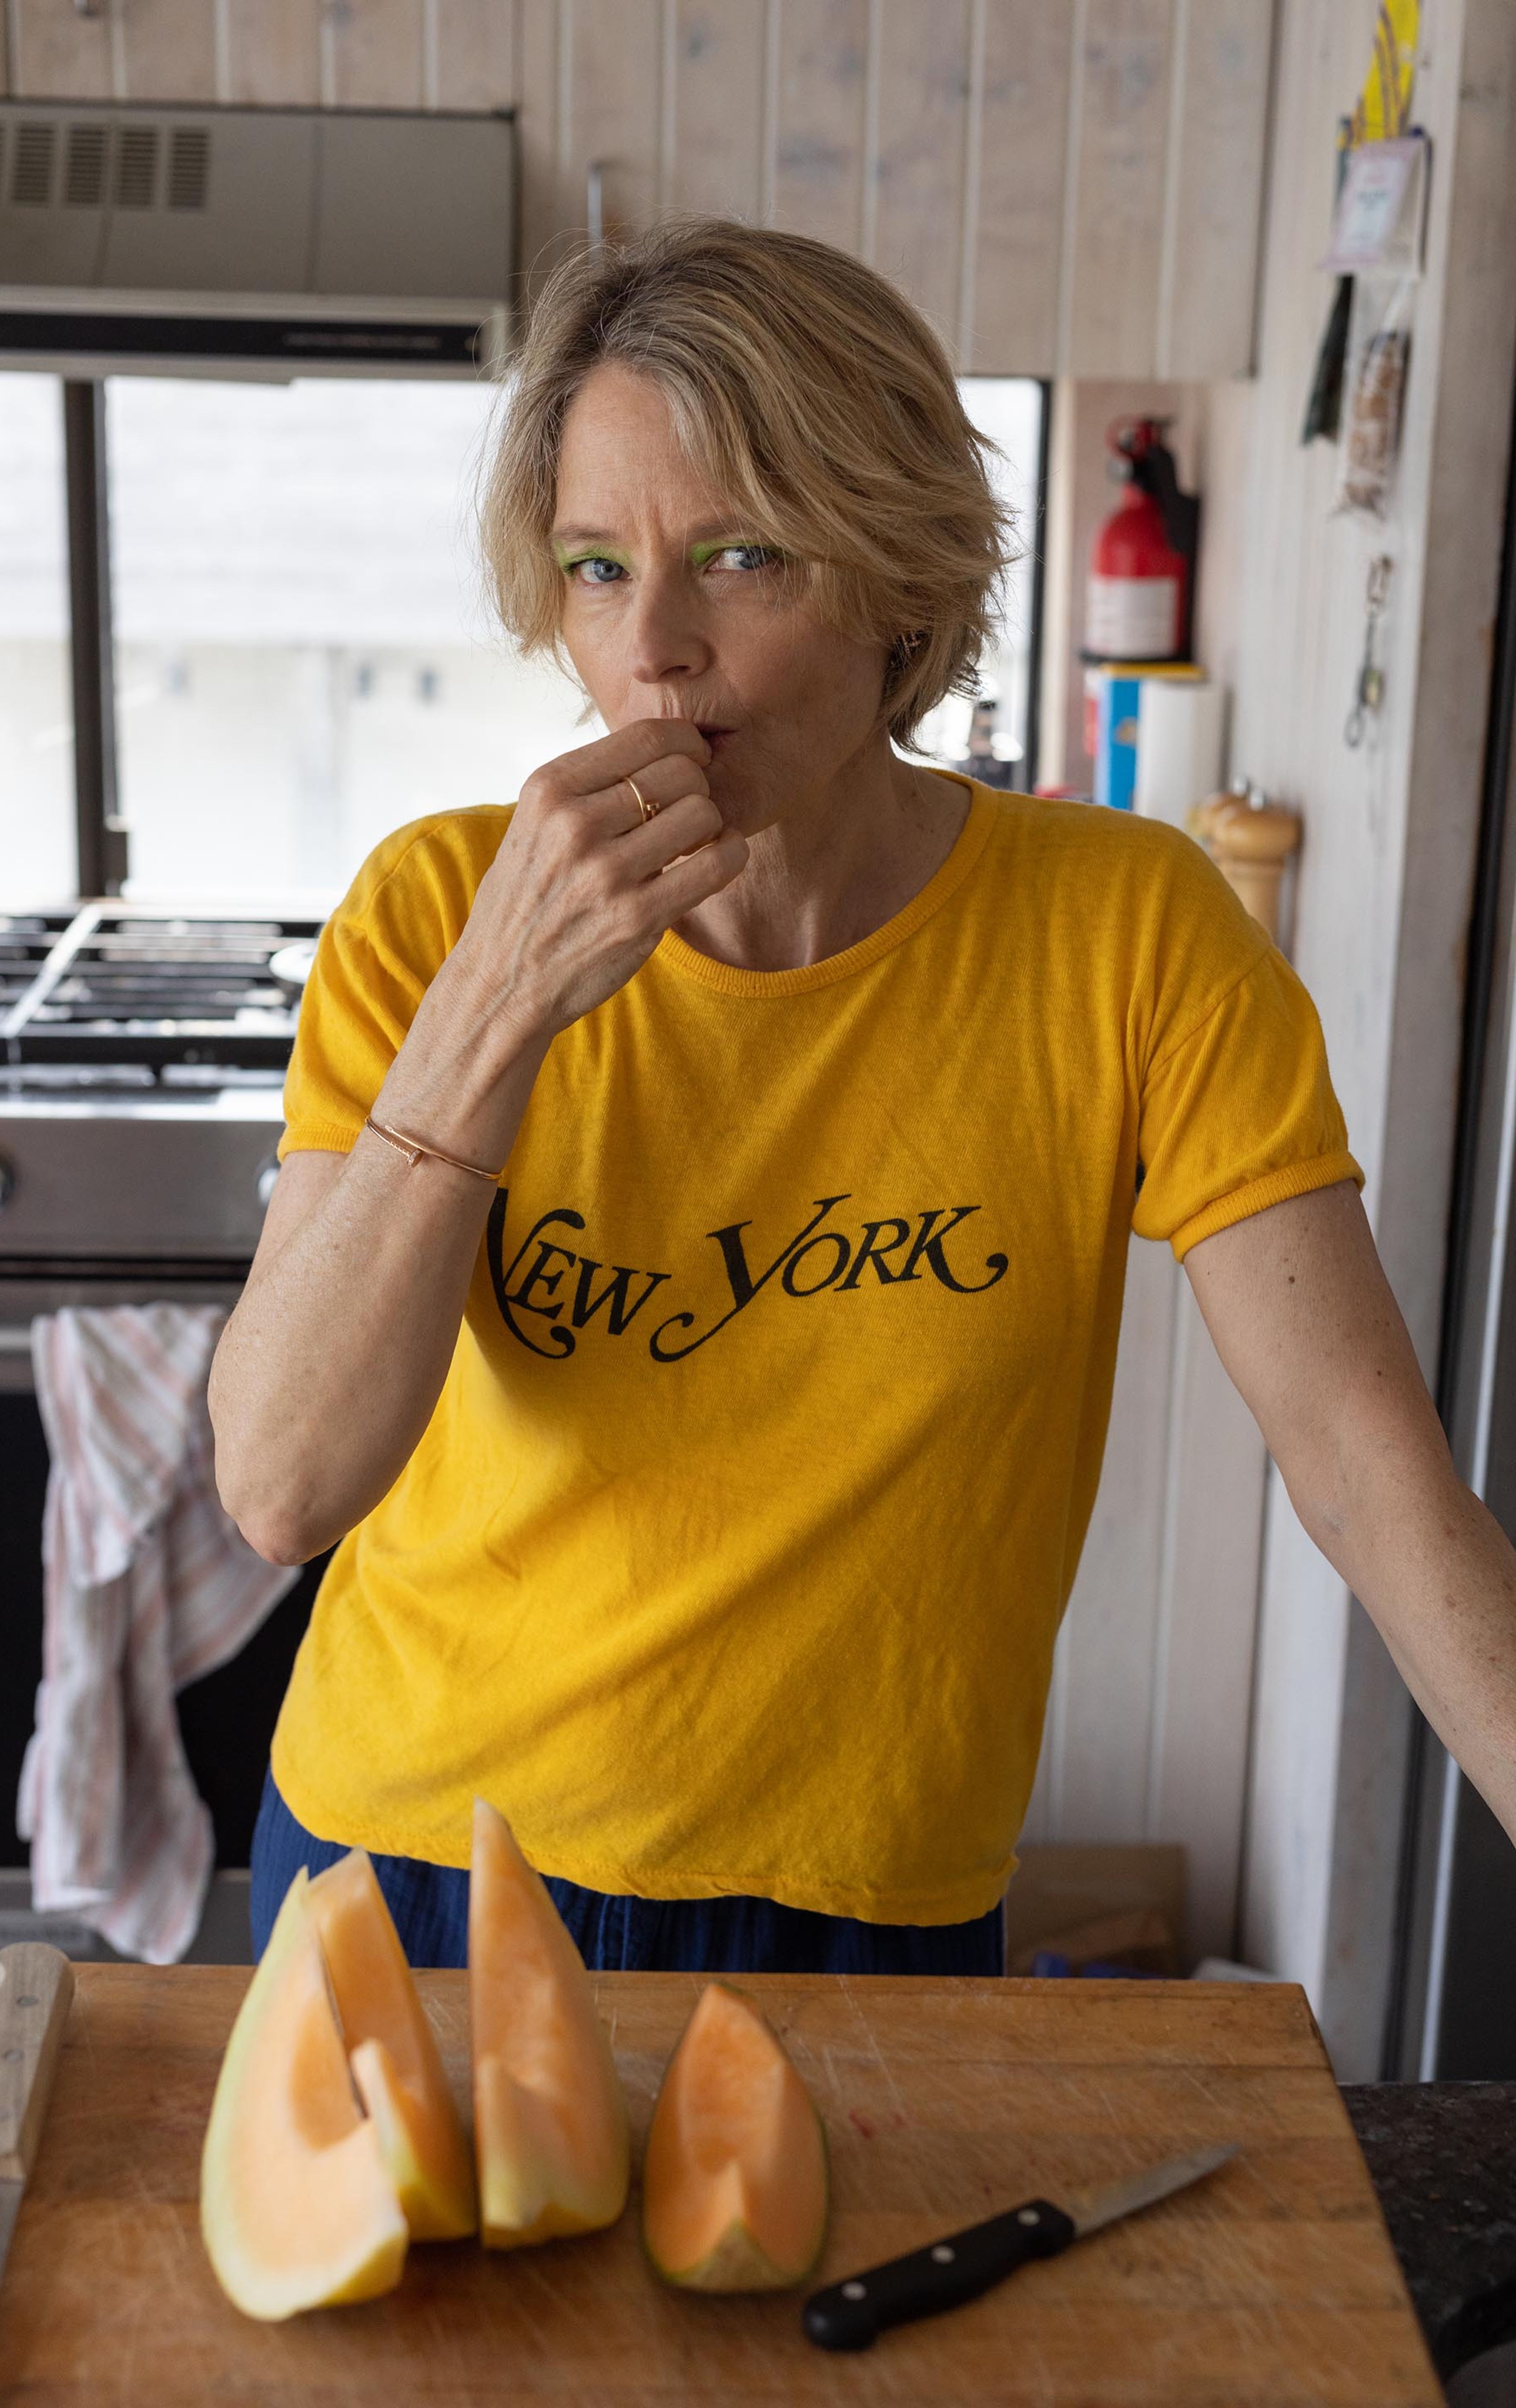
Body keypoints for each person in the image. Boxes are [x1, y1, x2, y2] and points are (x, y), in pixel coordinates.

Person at [211, 216, 1516, 1976]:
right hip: (415, 1862)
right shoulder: (435, 913)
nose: (655, 648)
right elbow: (285, 1486)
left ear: (901, 579)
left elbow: (1365, 1464)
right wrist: (498, 1011)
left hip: (867, 1906)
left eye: (740, 555)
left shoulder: (1128, 934)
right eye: (599, 568)